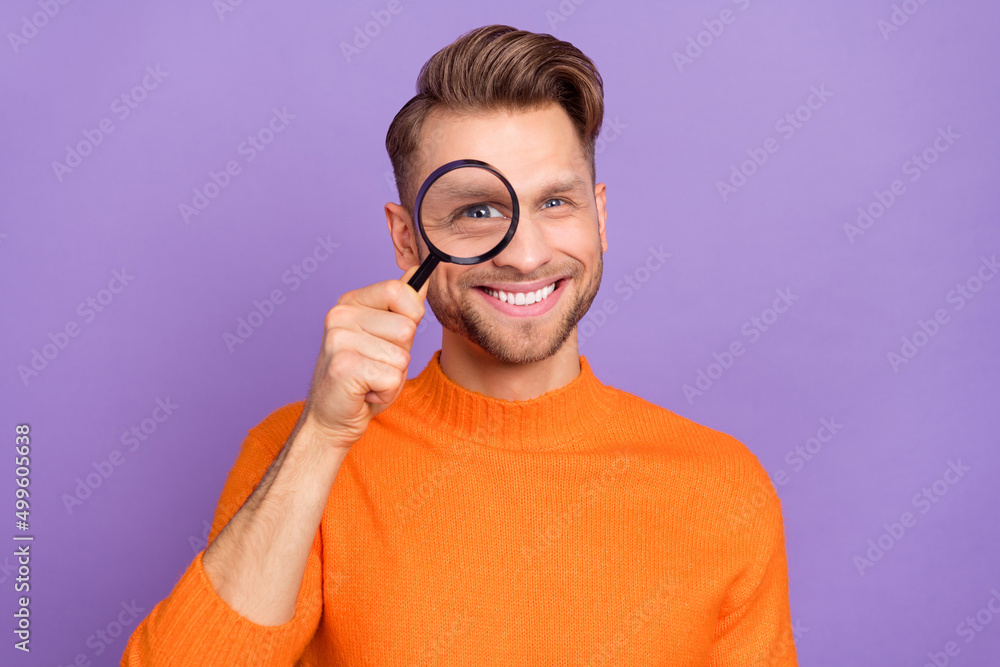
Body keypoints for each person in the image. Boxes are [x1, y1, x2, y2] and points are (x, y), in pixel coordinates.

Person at [122, 24, 798, 666]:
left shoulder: (721, 486)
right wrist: (323, 438)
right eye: (478, 210)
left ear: (600, 215)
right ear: (407, 239)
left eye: (556, 203)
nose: (526, 254)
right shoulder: (295, 455)